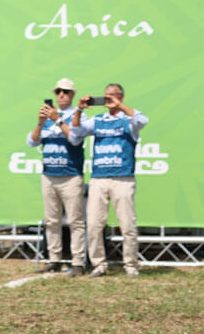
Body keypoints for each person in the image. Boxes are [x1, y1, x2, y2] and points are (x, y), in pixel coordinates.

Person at [71, 83, 149, 278]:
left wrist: (119, 106)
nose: (108, 99)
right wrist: (79, 109)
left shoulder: (128, 119)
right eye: (106, 96)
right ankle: (99, 265)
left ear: (121, 97)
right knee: (94, 225)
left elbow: (142, 120)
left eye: (112, 95)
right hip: (99, 179)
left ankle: (130, 265)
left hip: (123, 178)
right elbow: (76, 131)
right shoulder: (98, 120)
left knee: (127, 225)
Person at [27, 78, 87, 276]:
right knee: (51, 221)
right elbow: (32, 142)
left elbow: (75, 139)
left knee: (75, 221)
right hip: (49, 175)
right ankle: (54, 259)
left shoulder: (78, 115)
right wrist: (40, 122)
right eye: (58, 91)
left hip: (71, 176)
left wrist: (58, 120)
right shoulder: (47, 117)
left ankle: (78, 262)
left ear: (72, 95)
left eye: (66, 92)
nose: (61, 95)